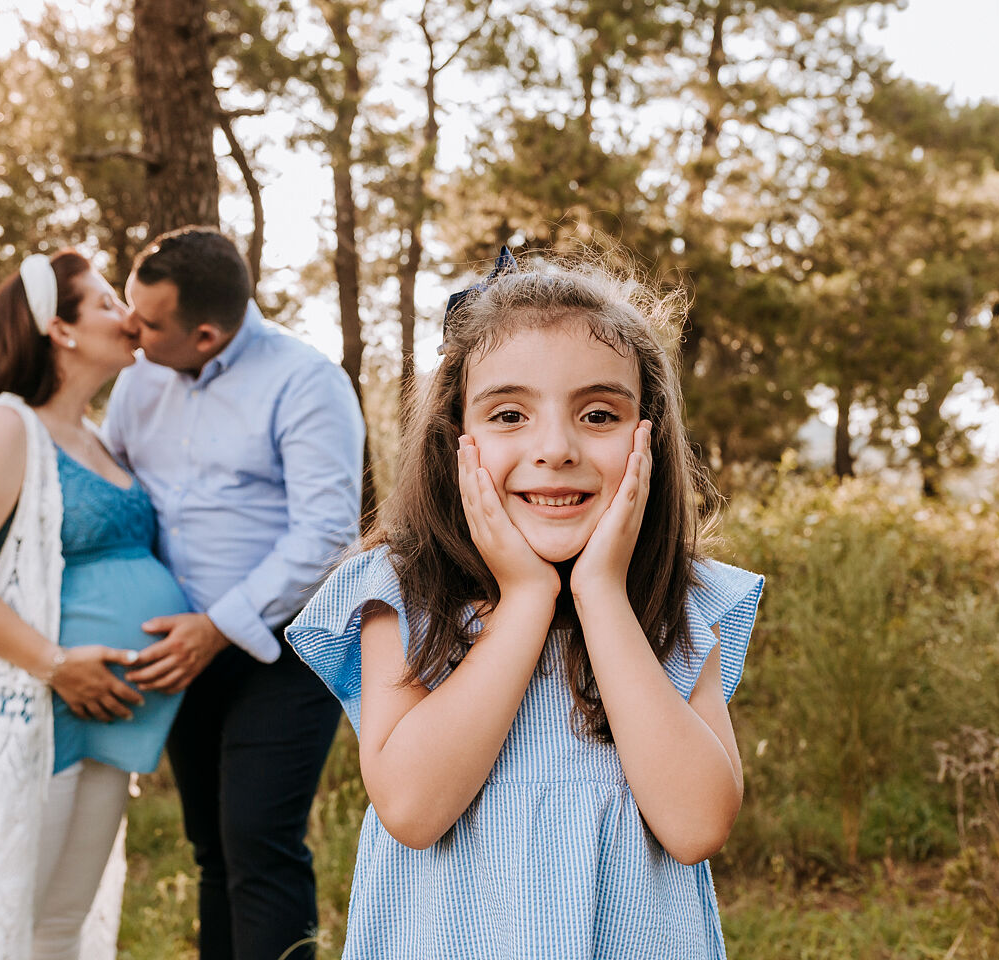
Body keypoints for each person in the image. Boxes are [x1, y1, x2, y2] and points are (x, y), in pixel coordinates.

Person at [286, 249, 765, 958]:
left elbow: (696, 825)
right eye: (510, 413)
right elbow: (414, 809)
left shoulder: (679, 605)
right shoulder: (399, 592)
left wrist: (600, 593)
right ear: (458, 439)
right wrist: (527, 598)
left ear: (650, 436)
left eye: (599, 414)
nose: (555, 448)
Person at [0, 249, 192, 960]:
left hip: (108, 719)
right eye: (109, 302)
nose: (131, 317)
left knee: (60, 926)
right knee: (2, 930)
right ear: (58, 327)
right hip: (37, 712)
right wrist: (56, 665)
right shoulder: (5, 425)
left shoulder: (94, 436)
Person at [103, 227, 365, 959]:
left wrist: (216, 627)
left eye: (149, 323)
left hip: (283, 651)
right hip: (178, 650)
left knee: (260, 841)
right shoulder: (135, 382)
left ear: (208, 333)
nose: (132, 329)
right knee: (211, 846)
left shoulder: (306, 382)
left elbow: (323, 535)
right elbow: (113, 490)